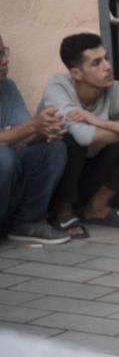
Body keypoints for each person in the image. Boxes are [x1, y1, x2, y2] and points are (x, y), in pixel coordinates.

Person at [42, 34, 119, 237]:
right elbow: (82, 136)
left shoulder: (114, 89)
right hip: (59, 179)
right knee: (70, 139)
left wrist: (104, 123)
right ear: (77, 73)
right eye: (96, 63)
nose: (107, 66)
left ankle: (97, 206)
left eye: (106, 58)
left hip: (92, 174)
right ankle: (62, 210)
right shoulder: (58, 87)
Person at [0, 34, 70, 245]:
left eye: (3, 52)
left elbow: (22, 134)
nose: (5, 60)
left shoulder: (7, 87)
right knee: (4, 158)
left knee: (53, 148)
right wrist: (32, 126)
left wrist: (46, 130)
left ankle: (25, 223)